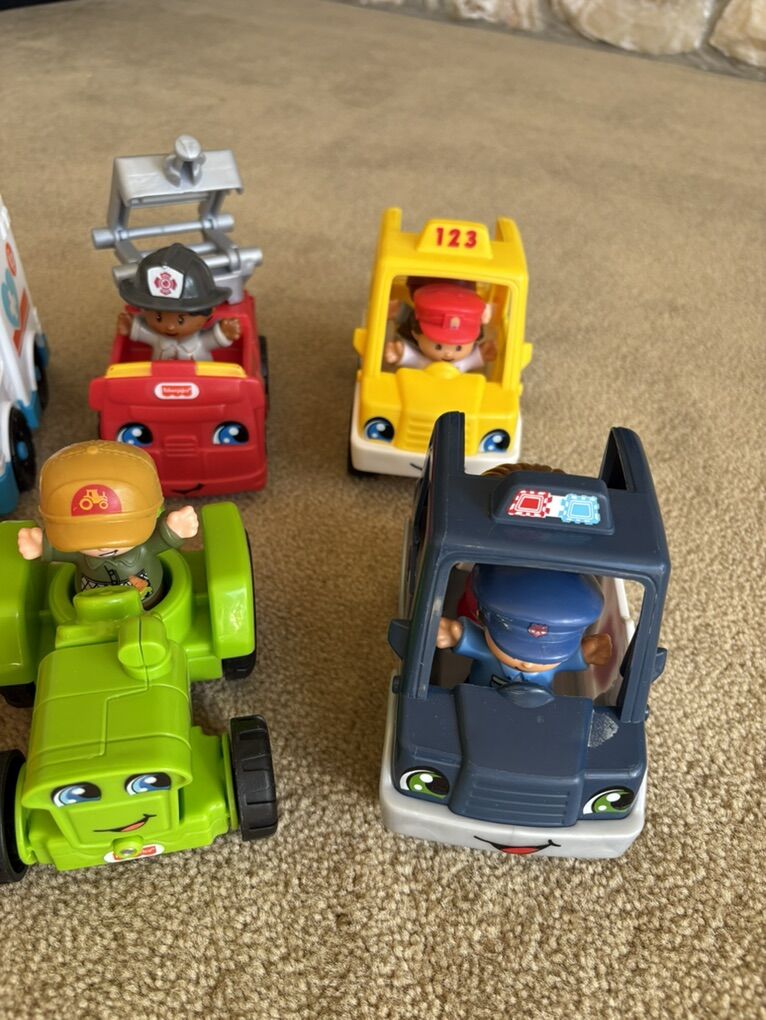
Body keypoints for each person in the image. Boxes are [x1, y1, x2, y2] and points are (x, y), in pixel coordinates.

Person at [17, 441, 198, 609]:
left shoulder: (143, 546)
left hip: (151, 602)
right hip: (90, 610)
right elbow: (58, 547)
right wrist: (40, 544)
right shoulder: (78, 554)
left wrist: (173, 529)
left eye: (118, 531)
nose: (103, 546)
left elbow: (161, 537)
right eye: (85, 535)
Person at [437, 565, 612, 692]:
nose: (527, 663)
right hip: (475, 700)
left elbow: (575, 654)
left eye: (544, 656)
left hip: (537, 714)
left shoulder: (562, 656)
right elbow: (467, 638)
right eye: (513, 651)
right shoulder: (487, 651)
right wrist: (454, 633)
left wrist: (588, 652)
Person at [116, 243, 241, 361]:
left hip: (201, 377)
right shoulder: (157, 339)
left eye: (181, 320)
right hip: (157, 376)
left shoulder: (199, 342)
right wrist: (131, 326)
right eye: (158, 317)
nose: (170, 327)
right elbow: (143, 332)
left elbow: (212, 338)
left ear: (209, 311)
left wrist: (224, 333)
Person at [384, 282, 496, 372]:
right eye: (438, 346)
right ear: (416, 334)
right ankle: (400, 310)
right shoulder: (420, 354)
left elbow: (472, 360)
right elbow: (412, 357)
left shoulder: (461, 362)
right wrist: (398, 354)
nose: (448, 354)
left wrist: (483, 354)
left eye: (458, 348)